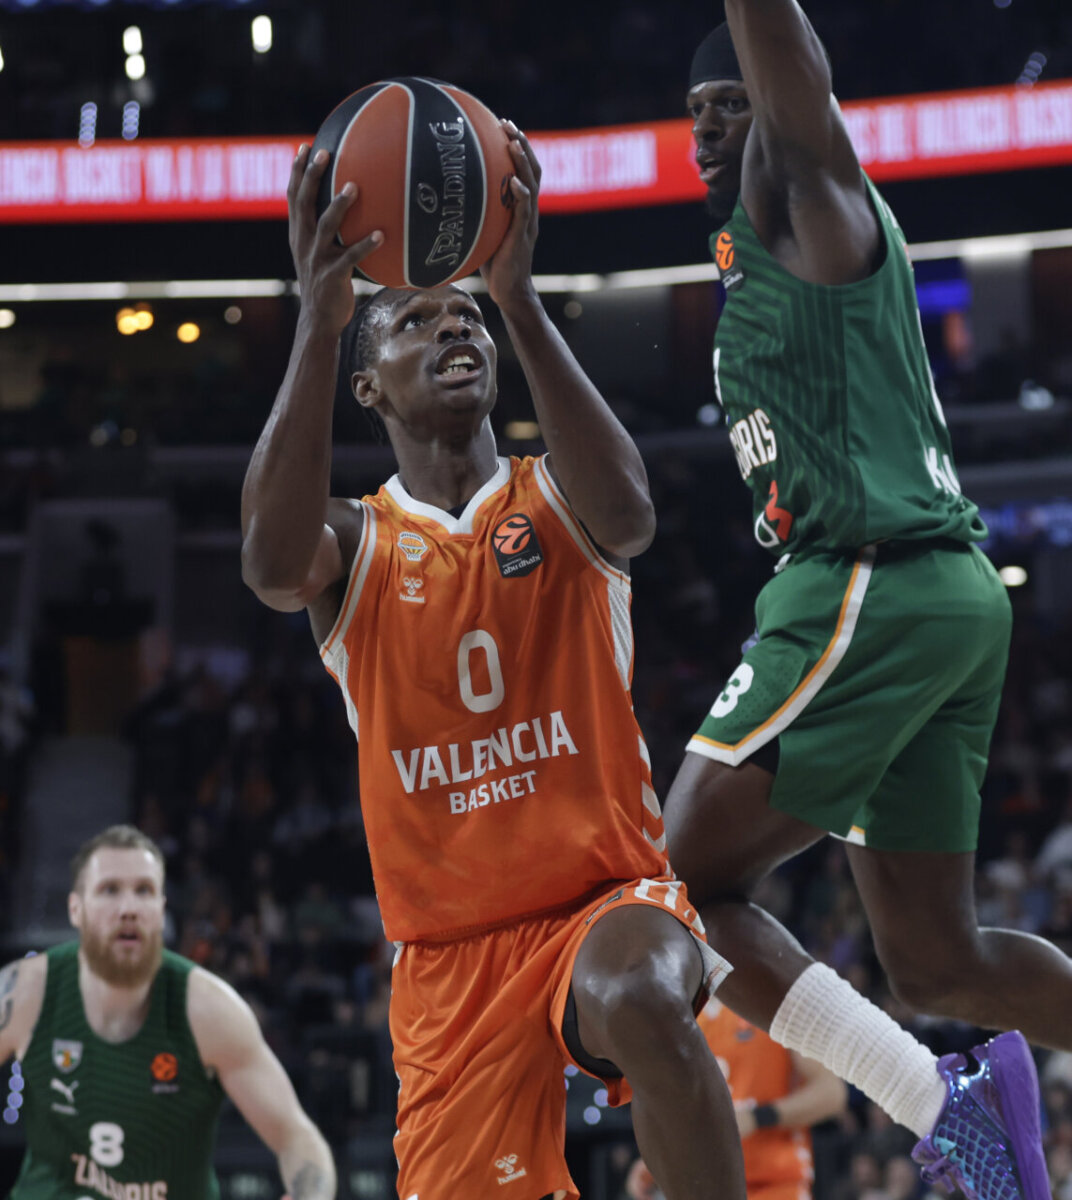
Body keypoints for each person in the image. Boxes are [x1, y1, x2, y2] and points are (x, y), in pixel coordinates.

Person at [239, 126, 746, 1200]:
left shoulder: (557, 495)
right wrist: (316, 322)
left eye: (465, 316)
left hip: (605, 901)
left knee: (640, 996)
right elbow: (271, 565)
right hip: (448, 959)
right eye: (414, 320)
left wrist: (519, 298)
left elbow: (632, 515)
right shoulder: (354, 542)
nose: (451, 326)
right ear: (368, 388)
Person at [662, 4, 1072, 1200]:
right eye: (693, 114)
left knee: (669, 888)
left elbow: (794, 84)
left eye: (730, 105)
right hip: (931, 600)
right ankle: (964, 1098)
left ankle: (939, 1105)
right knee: (936, 962)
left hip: (868, 583)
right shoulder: (753, 264)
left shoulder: (814, 207)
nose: (707, 131)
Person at [0, 824, 336, 1200]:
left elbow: (297, 1137)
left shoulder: (210, 1010)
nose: (129, 908)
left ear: (161, 911)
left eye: (144, 890)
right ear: (75, 909)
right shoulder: (24, 993)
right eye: (110, 889)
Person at [625, 998, 848, 1200]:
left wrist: (757, 1117)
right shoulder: (681, 1016)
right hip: (708, 1188)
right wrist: (657, 1162)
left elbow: (832, 1093)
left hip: (776, 1184)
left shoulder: (772, 1001)